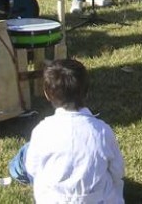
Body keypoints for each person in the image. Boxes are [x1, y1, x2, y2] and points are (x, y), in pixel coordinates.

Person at [8, 59, 125, 203]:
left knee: (26, 152)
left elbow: (33, 169)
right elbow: (118, 171)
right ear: (86, 92)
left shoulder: (42, 131)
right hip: (98, 199)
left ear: (46, 94)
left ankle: (14, 169)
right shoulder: (102, 131)